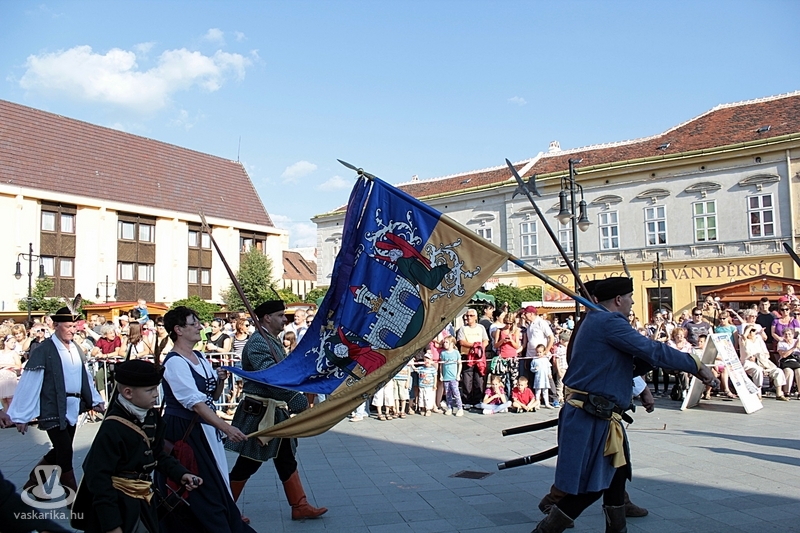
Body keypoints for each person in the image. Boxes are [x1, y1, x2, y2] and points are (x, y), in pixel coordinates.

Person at [532, 277, 716, 533]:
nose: (632, 303)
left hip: (601, 416)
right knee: (592, 487)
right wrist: (695, 365)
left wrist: (649, 361)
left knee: (616, 480)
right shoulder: (608, 321)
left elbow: (624, 364)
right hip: (593, 416)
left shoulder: (595, 320)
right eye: (629, 297)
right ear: (618, 300)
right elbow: (653, 350)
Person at [72, 360, 202, 533]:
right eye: (150, 390)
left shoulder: (152, 417)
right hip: (119, 503)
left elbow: (157, 454)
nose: (156, 394)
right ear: (128, 393)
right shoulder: (113, 427)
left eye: (156, 388)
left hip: (144, 499)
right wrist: (112, 525)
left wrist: (181, 473)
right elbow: (98, 479)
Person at [226, 299, 327, 522]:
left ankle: (299, 506)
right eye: (280, 315)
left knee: (286, 459)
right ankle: (225, 509)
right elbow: (270, 378)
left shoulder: (271, 340)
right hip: (260, 413)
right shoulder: (259, 343)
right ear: (267, 318)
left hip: (275, 411)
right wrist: (295, 398)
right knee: (248, 462)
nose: (284, 319)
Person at [155, 306, 252, 533]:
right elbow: (195, 403)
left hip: (206, 427)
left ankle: (225, 519)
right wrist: (227, 428)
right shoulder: (175, 362)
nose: (200, 327)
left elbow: (212, 397)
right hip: (186, 430)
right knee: (202, 483)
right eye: (194, 323)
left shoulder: (199, 356)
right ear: (178, 330)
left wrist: (220, 380)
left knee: (216, 477)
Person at [8, 307, 105, 494]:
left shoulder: (75, 348)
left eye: (74, 326)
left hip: (72, 406)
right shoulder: (45, 350)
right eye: (68, 326)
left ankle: (34, 483)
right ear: (56, 326)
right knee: (65, 450)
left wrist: (95, 399)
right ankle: (71, 494)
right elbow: (30, 383)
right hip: (52, 406)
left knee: (61, 449)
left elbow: (84, 376)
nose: (72, 330)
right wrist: (21, 416)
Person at [457, 309, 489, 407]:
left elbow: (486, 340)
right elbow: (461, 341)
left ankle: (477, 400)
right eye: (467, 316)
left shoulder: (481, 328)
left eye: (471, 315)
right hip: (467, 356)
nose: (468, 317)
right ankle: (467, 400)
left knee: (479, 378)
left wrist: (480, 348)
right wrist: (474, 346)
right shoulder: (463, 328)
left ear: (475, 317)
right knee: (467, 379)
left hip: (479, 357)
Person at [439, 336, 463, 416]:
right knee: (448, 393)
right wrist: (441, 375)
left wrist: (458, 374)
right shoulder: (443, 353)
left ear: (452, 343)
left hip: (454, 377)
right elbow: (441, 365)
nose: (445, 344)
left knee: (456, 393)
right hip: (446, 377)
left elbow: (460, 364)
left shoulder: (456, 353)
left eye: (447, 342)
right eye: (444, 342)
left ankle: (460, 408)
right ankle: (449, 407)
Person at [0, 335, 21, 411]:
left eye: (14, 342)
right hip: (1, 378)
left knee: (10, 399)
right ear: (6, 342)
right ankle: (5, 415)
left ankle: (11, 415)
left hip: (10, 378)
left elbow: (18, 366)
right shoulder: (0, 353)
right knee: (3, 401)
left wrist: (7, 365)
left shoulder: (14, 353)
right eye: (12, 342)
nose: (13, 344)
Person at [531, 344, 553, 409]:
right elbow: (531, 369)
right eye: (537, 352)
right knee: (538, 391)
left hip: (545, 378)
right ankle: (537, 403)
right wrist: (535, 369)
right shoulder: (534, 360)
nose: (539, 354)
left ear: (544, 352)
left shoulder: (546, 359)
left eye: (540, 352)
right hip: (538, 378)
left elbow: (548, 367)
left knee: (545, 391)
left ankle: (547, 403)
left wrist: (549, 374)